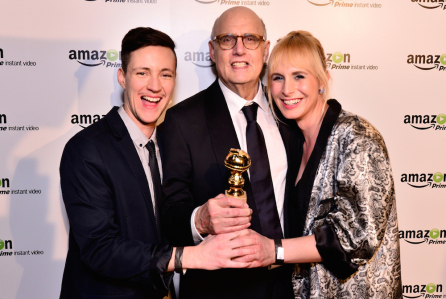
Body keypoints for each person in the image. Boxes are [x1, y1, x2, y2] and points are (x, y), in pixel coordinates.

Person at [59, 27, 258, 299]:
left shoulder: (171, 142)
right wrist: (191, 256)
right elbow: (100, 249)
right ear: (122, 77)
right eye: (142, 72)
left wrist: (202, 221)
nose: (155, 86)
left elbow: (174, 218)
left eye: (165, 74)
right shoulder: (87, 149)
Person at [236, 30, 402, 298]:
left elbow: (357, 238)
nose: (287, 89)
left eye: (299, 76)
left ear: (322, 80)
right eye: (278, 78)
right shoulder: (291, 142)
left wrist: (273, 250)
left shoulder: (357, 137)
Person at [161, 6, 299, 299]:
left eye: (250, 39)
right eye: (227, 40)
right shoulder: (182, 121)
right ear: (212, 51)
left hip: (292, 284)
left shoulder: (292, 114)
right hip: (219, 290)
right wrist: (200, 220)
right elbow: (169, 213)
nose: (239, 49)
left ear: (265, 50)